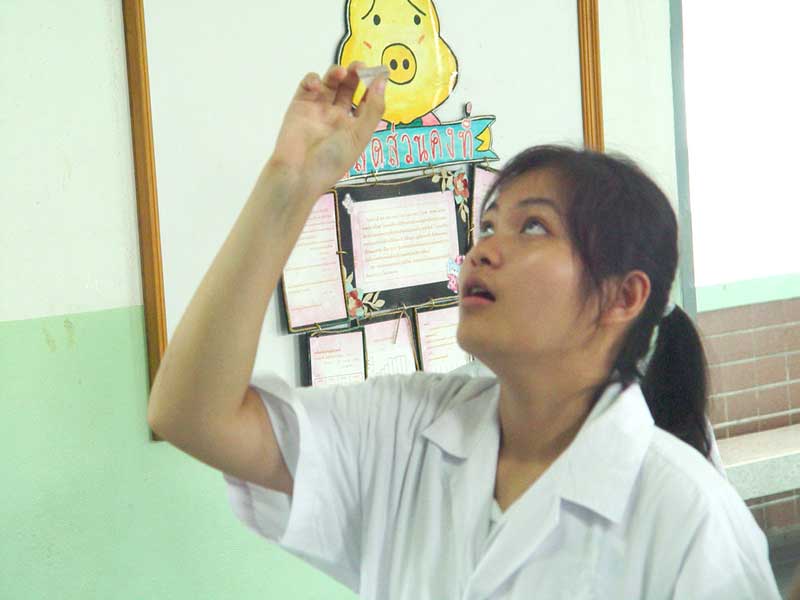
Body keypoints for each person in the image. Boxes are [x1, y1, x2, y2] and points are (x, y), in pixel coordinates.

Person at [147, 63, 780, 599]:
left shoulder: (690, 519)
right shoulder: (405, 432)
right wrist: (291, 181)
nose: (482, 251)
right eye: (488, 226)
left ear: (622, 296)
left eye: (533, 227)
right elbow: (192, 415)